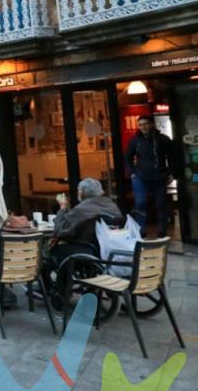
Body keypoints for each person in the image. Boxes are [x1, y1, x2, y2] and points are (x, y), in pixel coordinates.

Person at [45, 178, 124, 306]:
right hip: (106, 249)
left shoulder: (82, 209)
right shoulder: (111, 205)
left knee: (52, 253)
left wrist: (63, 208)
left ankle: (58, 290)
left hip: (85, 250)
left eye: (78, 191)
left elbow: (60, 231)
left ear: (82, 192)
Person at [124, 114, 172, 233]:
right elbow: (127, 158)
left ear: (152, 124)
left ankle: (162, 230)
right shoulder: (135, 140)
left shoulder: (163, 139)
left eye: (145, 124)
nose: (143, 127)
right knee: (140, 203)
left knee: (161, 204)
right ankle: (141, 230)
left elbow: (172, 157)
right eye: (140, 125)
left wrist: (171, 172)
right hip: (140, 176)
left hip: (159, 175)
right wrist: (132, 173)